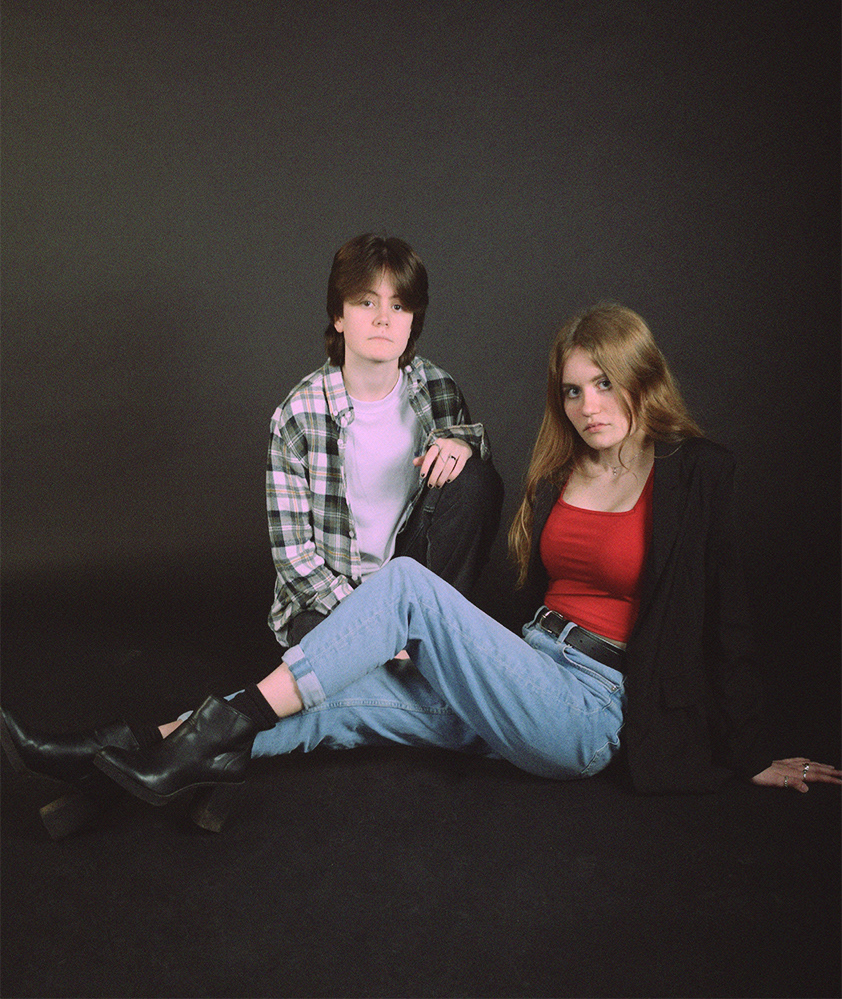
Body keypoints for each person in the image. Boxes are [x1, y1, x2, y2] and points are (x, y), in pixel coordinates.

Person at [3, 304, 838, 837]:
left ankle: (183, 746)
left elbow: (726, 619)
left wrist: (748, 751)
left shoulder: (694, 474)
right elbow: (525, 603)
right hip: (525, 669)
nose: (588, 406)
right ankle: (113, 758)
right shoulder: (560, 474)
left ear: (642, 378)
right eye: (572, 390)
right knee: (335, 706)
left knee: (403, 586)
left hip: (589, 710)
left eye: (604, 385)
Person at [266, 232, 503, 647]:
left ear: (413, 320)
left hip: (411, 579)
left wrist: (463, 445)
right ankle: (407, 651)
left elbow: (465, 512)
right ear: (339, 316)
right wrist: (370, 621)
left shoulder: (438, 389)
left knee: (475, 479)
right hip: (332, 598)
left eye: (398, 305)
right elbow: (294, 557)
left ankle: (431, 632)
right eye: (366, 302)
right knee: (324, 645)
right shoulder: (298, 415)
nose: (383, 319)